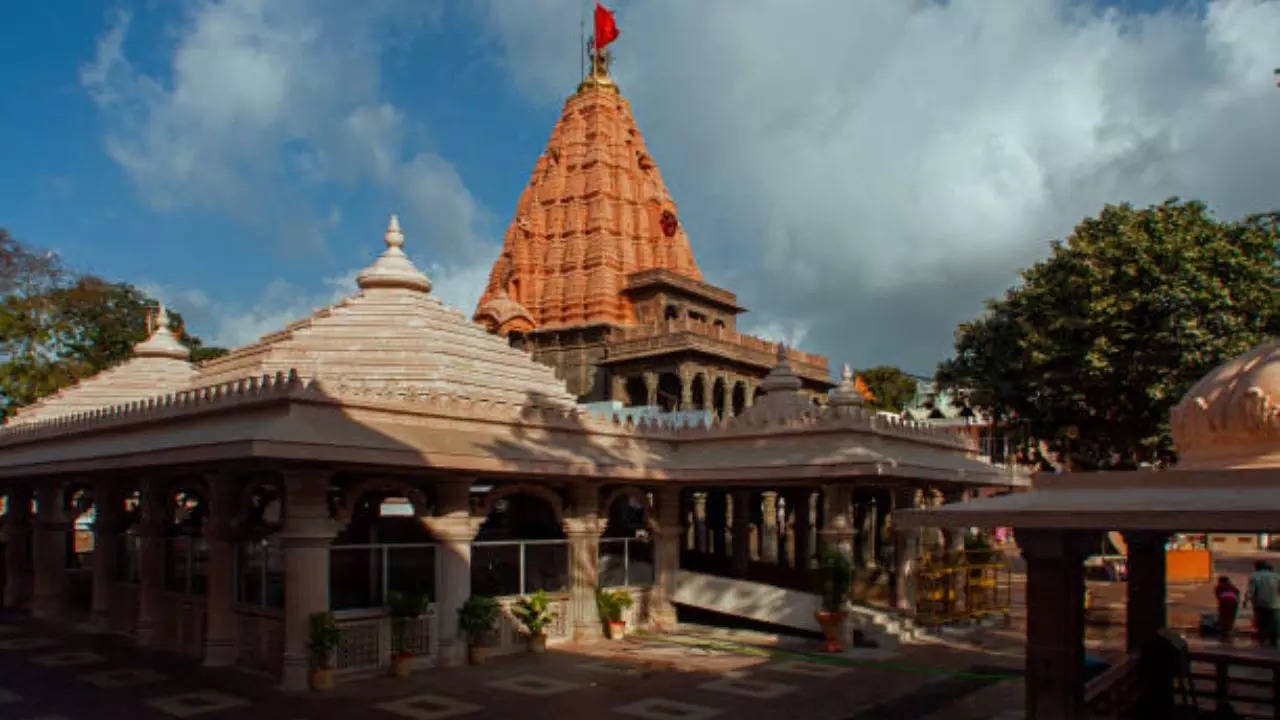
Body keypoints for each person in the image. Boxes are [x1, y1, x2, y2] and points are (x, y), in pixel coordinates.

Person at [1244, 561, 1280, 647]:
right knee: (1273, 622)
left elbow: (1251, 591)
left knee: (1262, 622)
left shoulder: (1254, 576)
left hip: (1260, 603)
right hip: (1275, 603)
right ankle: (1273, 640)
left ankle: (1263, 640)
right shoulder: (1276, 576)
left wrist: (1245, 601)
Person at [1215, 575, 1241, 642]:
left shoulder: (1218, 587)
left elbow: (1218, 597)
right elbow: (1237, 593)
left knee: (1223, 617)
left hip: (1224, 601)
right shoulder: (1232, 587)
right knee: (1231, 617)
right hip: (1233, 601)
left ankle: (1224, 633)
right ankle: (1229, 631)